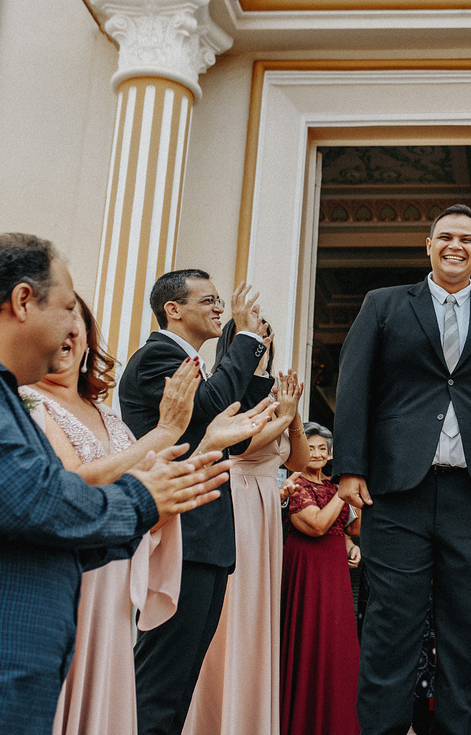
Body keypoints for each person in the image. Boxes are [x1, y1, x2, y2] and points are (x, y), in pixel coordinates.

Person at [0, 233, 229, 733]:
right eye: (65, 308)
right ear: (21, 301)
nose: (72, 328)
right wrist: (142, 500)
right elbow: (30, 499)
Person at [23, 295, 277, 735]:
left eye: (77, 327)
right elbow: (73, 482)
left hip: (128, 561)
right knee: (149, 690)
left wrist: (209, 444)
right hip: (80, 568)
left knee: (152, 690)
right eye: (58, 325)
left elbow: (151, 474)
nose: (67, 336)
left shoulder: (106, 415)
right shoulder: (29, 401)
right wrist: (168, 431)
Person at [332, 204, 471, 735]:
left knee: (469, 632)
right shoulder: (383, 305)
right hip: (398, 492)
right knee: (389, 627)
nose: (456, 246)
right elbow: (355, 387)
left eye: (467, 239)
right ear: (427, 245)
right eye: (445, 237)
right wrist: (350, 467)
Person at [119, 269, 275, 735]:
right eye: (207, 300)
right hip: (178, 534)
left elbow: (237, 428)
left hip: (207, 538)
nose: (219, 309)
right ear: (173, 309)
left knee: (182, 678)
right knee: (160, 681)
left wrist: (258, 356)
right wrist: (243, 338)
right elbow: (207, 408)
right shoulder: (155, 358)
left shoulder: (199, 365)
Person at [183, 320, 310, 735]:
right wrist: (282, 416)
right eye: (257, 335)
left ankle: (250, 717)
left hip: (265, 509)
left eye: (268, 334)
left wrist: (291, 418)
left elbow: (297, 460)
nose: (266, 342)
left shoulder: (275, 392)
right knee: (233, 610)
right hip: (236, 495)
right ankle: (215, 718)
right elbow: (240, 445)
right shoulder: (228, 390)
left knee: (258, 609)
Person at [281, 421, 361, 735]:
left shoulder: (331, 485)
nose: (316, 453)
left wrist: (352, 544)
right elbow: (315, 525)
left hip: (336, 570)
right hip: (306, 567)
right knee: (309, 640)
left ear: (330, 455)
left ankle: (336, 721)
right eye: (310, 447)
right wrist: (344, 494)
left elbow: (351, 529)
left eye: (322, 449)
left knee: (339, 645)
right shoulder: (296, 483)